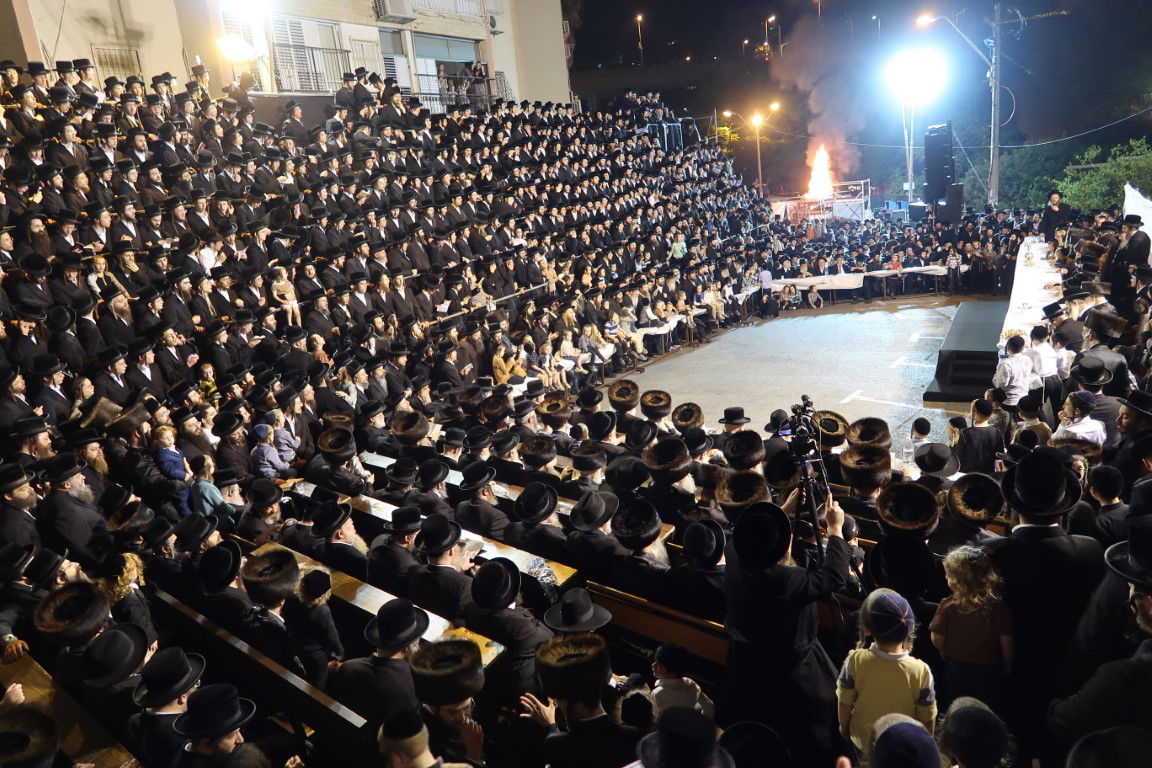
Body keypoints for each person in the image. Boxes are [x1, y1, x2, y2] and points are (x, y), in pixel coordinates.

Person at [724, 500, 850, 768]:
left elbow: (752, 533)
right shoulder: (788, 580)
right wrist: (835, 529)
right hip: (793, 666)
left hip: (746, 659)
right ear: (783, 549)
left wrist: (785, 508)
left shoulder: (733, 554)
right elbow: (835, 576)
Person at [836, 588, 937, 761]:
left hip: (863, 740)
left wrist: (843, 727)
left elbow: (845, 702)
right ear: (910, 627)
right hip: (903, 745)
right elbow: (927, 718)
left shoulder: (855, 660)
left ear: (867, 628)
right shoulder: (921, 671)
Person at [930, 545, 1013, 709]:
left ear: (957, 582)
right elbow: (1007, 641)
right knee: (985, 706)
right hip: (988, 670)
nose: (946, 577)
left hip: (956, 668)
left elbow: (936, 637)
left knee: (954, 705)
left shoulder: (948, 606)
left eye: (948, 575)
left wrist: (941, 649)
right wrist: (1008, 663)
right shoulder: (999, 608)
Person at [650, 642, 714, 719]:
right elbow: (709, 706)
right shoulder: (692, 685)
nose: (653, 665)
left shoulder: (657, 693)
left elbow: (654, 718)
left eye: (660, 666)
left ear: (672, 672)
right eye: (655, 661)